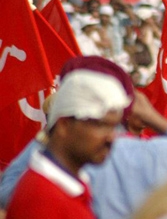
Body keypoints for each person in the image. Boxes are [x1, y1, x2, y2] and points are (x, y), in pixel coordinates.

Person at [6, 70, 131, 218]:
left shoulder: (68, 186)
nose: (111, 138)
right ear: (64, 124)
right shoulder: (44, 200)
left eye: (114, 127)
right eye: (100, 125)